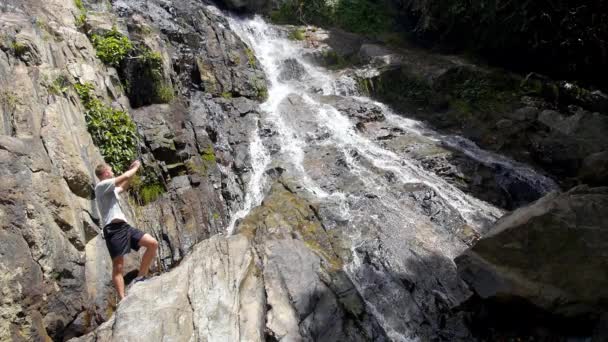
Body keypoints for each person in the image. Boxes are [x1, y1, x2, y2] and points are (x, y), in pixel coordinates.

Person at [94, 160, 158, 300]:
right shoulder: (101, 186)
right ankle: (122, 299)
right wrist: (135, 168)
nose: (112, 172)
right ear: (105, 173)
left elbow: (122, 187)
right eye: (110, 170)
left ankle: (140, 278)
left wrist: (131, 174)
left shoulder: (109, 189)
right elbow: (124, 177)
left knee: (152, 243)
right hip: (113, 230)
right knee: (118, 266)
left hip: (125, 227)